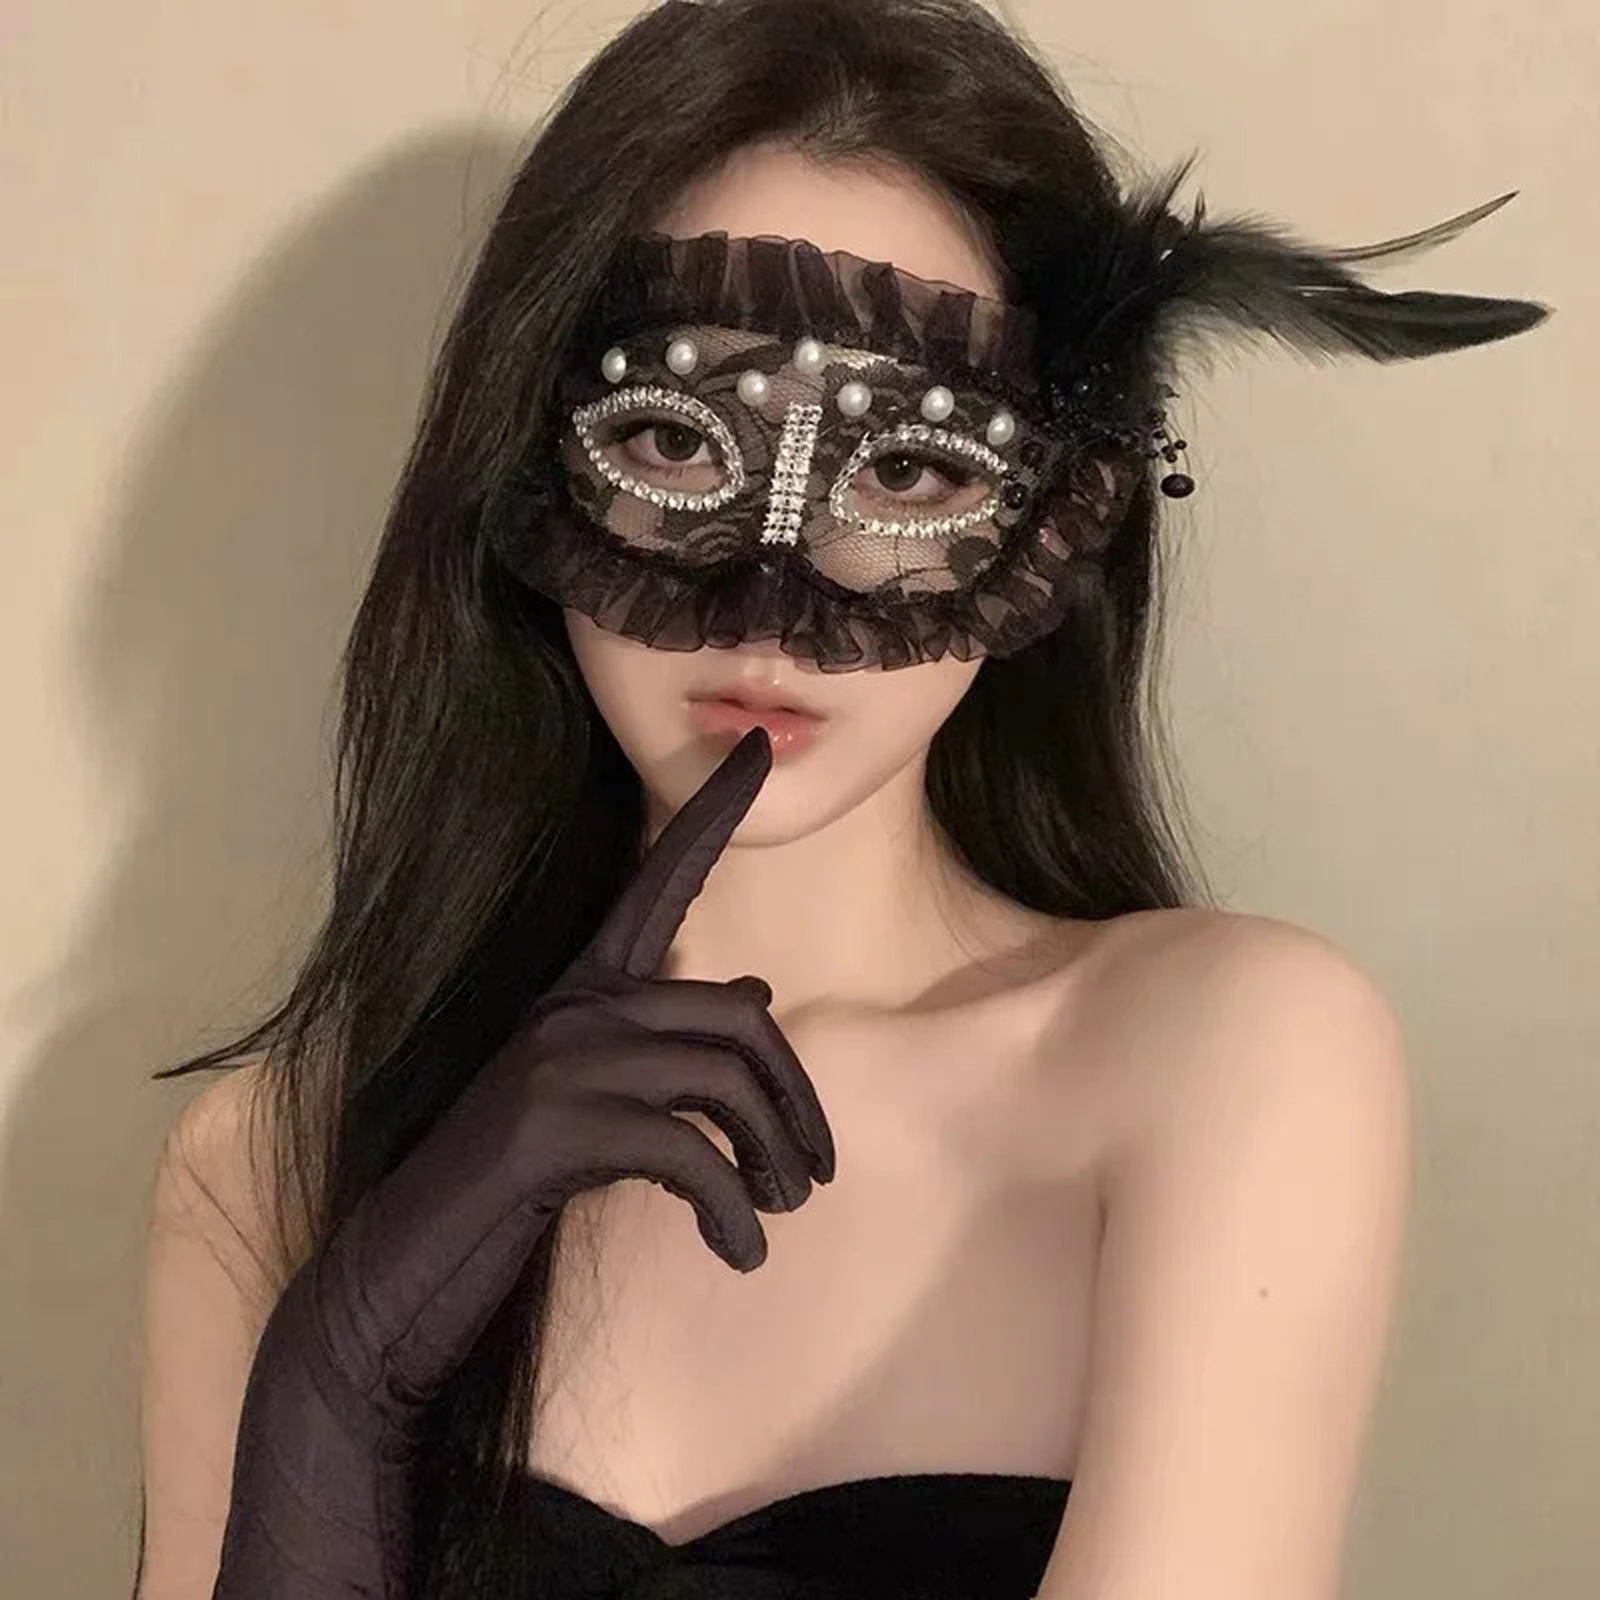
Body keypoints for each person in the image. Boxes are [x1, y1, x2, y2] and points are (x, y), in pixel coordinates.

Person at [133, 2, 1550, 1597]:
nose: (769, 606)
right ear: (529, 465)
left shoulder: (1220, 1064)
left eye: (911, 470)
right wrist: (334, 1385)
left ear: (1057, 521)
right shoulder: (270, 1160)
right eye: (673, 438)